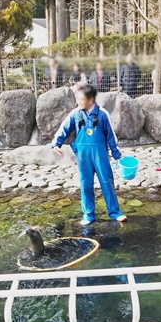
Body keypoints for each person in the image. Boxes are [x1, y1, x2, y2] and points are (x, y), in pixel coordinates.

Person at [52, 84, 126, 226]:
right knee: (85, 184)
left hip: (100, 155)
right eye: (77, 99)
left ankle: (115, 212)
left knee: (107, 181)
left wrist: (117, 155)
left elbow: (111, 136)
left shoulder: (103, 114)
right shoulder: (75, 114)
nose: (78, 102)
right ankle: (88, 213)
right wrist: (57, 143)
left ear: (91, 99)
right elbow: (64, 128)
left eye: (81, 99)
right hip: (83, 156)